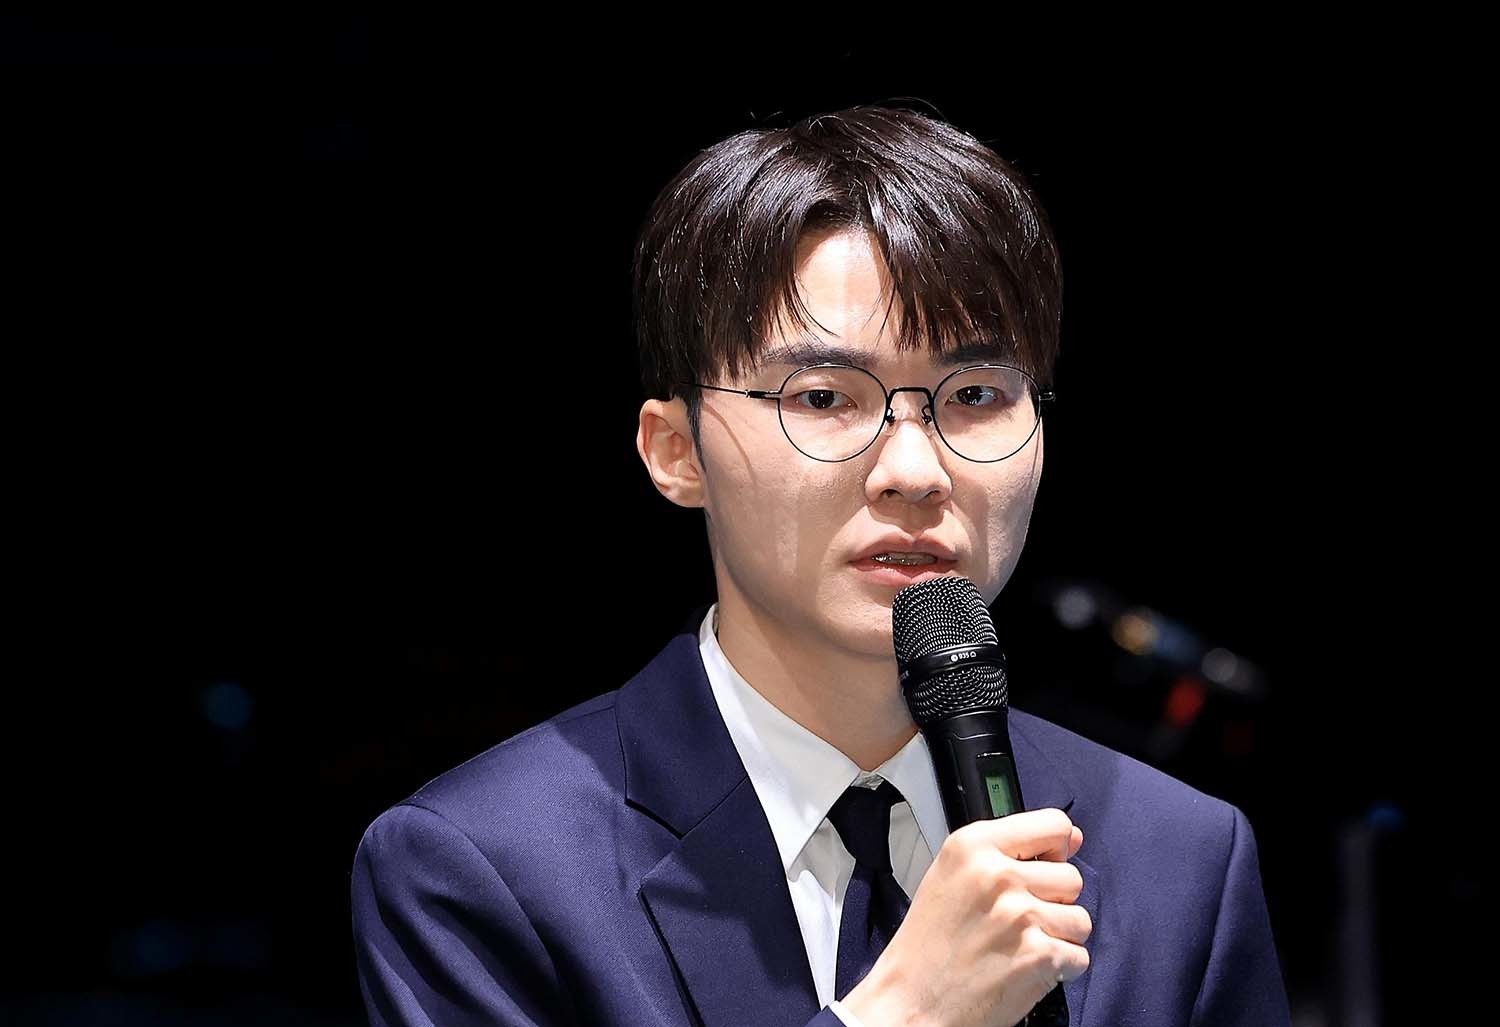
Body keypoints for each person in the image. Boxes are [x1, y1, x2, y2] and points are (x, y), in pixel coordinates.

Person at [350, 105, 1291, 1026]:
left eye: (974, 394)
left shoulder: (1181, 860)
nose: (915, 470)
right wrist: (907, 1015)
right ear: (677, 451)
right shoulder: (483, 868)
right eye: (825, 397)